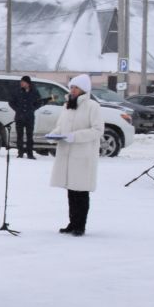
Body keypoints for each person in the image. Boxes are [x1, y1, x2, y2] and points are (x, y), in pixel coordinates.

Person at [50, 73, 103, 236]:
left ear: (83, 90)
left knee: (81, 191)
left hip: (82, 155)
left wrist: (75, 136)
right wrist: (54, 135)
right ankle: (72, 223)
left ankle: (80, 225)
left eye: (76, 88)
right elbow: (61, 126)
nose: (72, 90)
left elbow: (97, 130)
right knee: (71, 191)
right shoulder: (67, 105)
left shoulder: (93, 106)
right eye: (71, 87)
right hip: (67, 154)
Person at [10, 75, 41, 160]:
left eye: (23, 82)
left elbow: (38, 102)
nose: (21, 83)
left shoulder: (34, 91)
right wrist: (17, 110)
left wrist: (32, 109)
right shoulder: (17, 91)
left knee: (29, 136)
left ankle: (30, 153)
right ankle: (20, 153)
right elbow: (11, 102)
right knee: (19, 136)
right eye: (21, 82)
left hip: (29, 117)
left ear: (28, 83)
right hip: (19, 117)